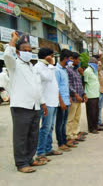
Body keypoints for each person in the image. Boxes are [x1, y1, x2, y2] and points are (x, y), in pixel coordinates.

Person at [4, 32, 48, 173]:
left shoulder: (31, 66)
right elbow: (7, 56)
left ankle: (30, 159)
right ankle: (21, 163)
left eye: (30, 51)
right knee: (21, 136)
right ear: (18, 52)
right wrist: (13, 40)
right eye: (25, 50)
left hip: (34, 106)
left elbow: (37, 86)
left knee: (33, 135)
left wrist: (42, 103)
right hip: (21, 106)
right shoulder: (14, 65)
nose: (28, 53)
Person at [34, 48, 61, 162]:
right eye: (51, 55)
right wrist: (51, 64)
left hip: (53, 101)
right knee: (45, 128)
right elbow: (48, 78)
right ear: (46, 56)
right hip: (46, 102)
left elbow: (53, 83)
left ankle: (48, 149)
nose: (53, 57)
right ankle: (40, 152)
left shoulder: (47, 67)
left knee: (50, 127)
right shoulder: (39, 67)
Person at [66, 52, 88, 145]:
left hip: (79, 97)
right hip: (74, 98)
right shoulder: (68, 70)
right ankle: (69, 135)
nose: (79, 61)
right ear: (73, 59)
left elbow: (79, 84)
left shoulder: (76, 70)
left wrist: (83, 94)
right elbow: (69, 84)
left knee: (77, 117)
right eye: (78, 59)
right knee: (71, 118)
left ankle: (75, 134)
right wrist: (75, 95)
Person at [56, 49, 73, 152]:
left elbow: (66, 86)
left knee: (64, 122)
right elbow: (56, 88)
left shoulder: (64, 69)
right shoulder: (56, 70)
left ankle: (64, 141)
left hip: (66, 100)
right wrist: (61, 101)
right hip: (61, 101)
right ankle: (60, 143)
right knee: (60, 123)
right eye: (70, 59)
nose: (71, 61)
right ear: (65, 58)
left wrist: (69, 98)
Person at [84, 57, 103, 134]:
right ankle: (91, 128)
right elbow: (85, 83)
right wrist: (84, 94)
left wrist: (101, 60)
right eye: (96, 63)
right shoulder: (87, 71)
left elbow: (100, 67)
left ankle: (96, 126)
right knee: (91, 112)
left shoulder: (94, 71)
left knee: (96, 112)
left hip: (96, 94)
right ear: (92, 63)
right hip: (90, 95)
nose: (97, 64)